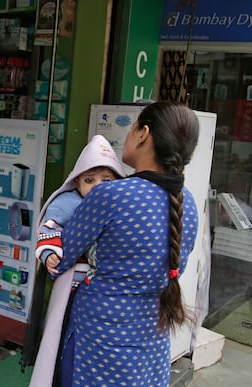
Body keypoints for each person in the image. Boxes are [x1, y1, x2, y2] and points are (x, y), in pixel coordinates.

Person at [51, 101, 200, 387]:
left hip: (96, 343)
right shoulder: (187, 204)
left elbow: (61, 258)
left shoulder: (109, 195)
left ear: (143, 133)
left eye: (133, 128)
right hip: (151, 345)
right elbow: (173, 268)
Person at [25, 135, 125, 385]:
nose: (97, 186)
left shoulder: (122, 208)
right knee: (60, 334)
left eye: (107, 180)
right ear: (76, 182)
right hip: (71, 284)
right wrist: (49, 255)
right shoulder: (68, 203)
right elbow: (49, 230)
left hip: (100, 291)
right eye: (89, 180)